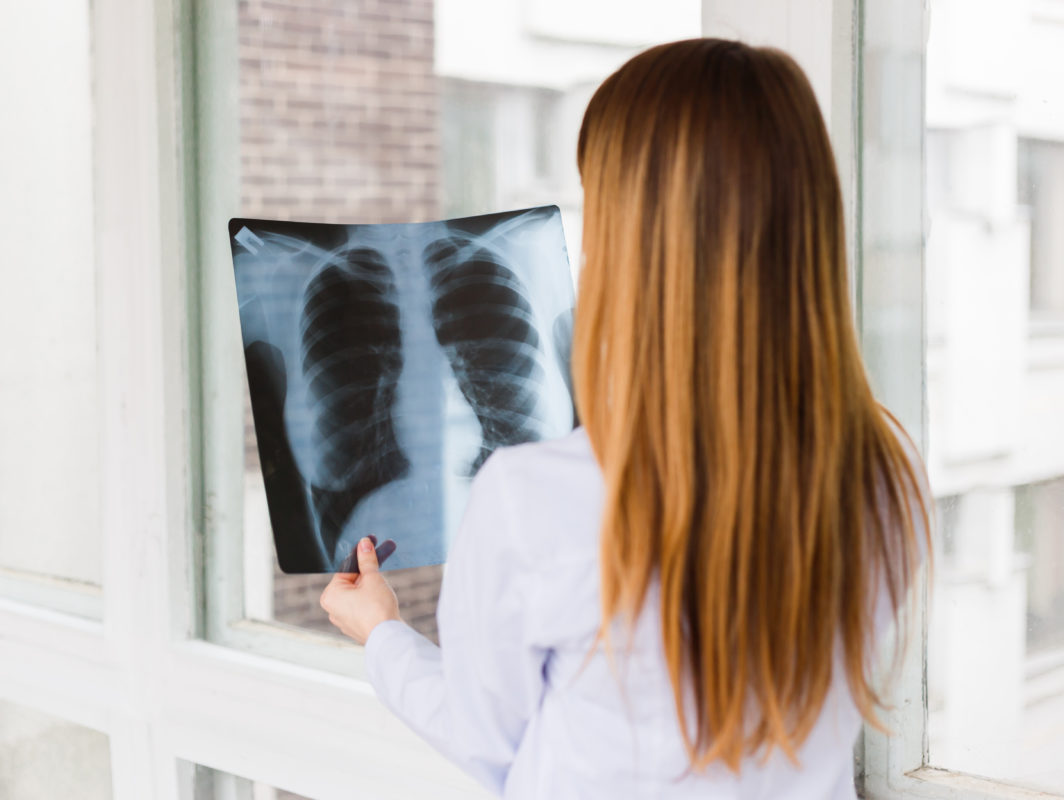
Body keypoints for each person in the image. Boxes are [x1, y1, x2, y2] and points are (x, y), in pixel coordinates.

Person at [320, 37, 931, 799]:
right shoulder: (884, 473)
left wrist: (382, 634)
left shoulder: (533, 495)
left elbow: (488, 742)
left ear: (634, 243)